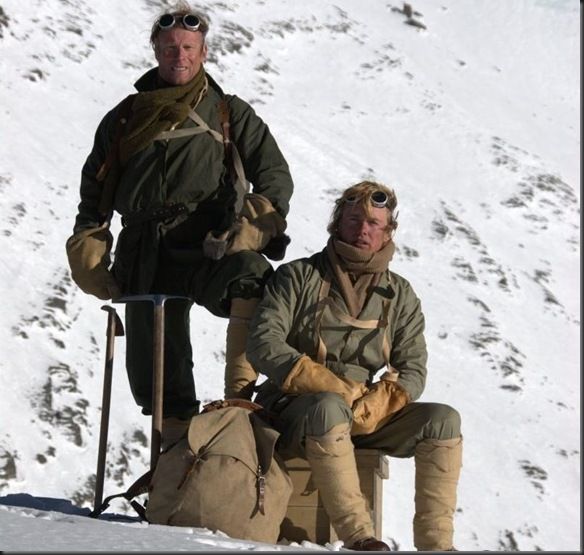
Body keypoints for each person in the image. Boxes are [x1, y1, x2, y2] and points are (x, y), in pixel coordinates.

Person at [66, 2, 294, 445]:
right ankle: (171, 460)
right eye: (170, 47)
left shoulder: (228, 112)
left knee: (251, 280)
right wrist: (90, 245)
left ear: (204, 52)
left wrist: (254, 224)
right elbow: (95, 190)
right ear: (156, 51)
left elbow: (274, 175)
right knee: (155, 373)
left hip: (210, 243)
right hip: (144, 249)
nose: (179, 56)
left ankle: (239, 404)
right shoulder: (124, 118)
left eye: (189, 47)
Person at [247, 181, 463, 551]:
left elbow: (413, 368)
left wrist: (380, 403)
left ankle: (437, 545)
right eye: (354, 219)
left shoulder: (401, 295)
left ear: (388, 231)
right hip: (296, 409)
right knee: (330, 408)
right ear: (337, 224)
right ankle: (358, 537)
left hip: (365, 411)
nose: (363, 230)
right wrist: (328, 385)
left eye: (375, 223)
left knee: (443, 420)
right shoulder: (298, 277)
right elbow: (264, 342)